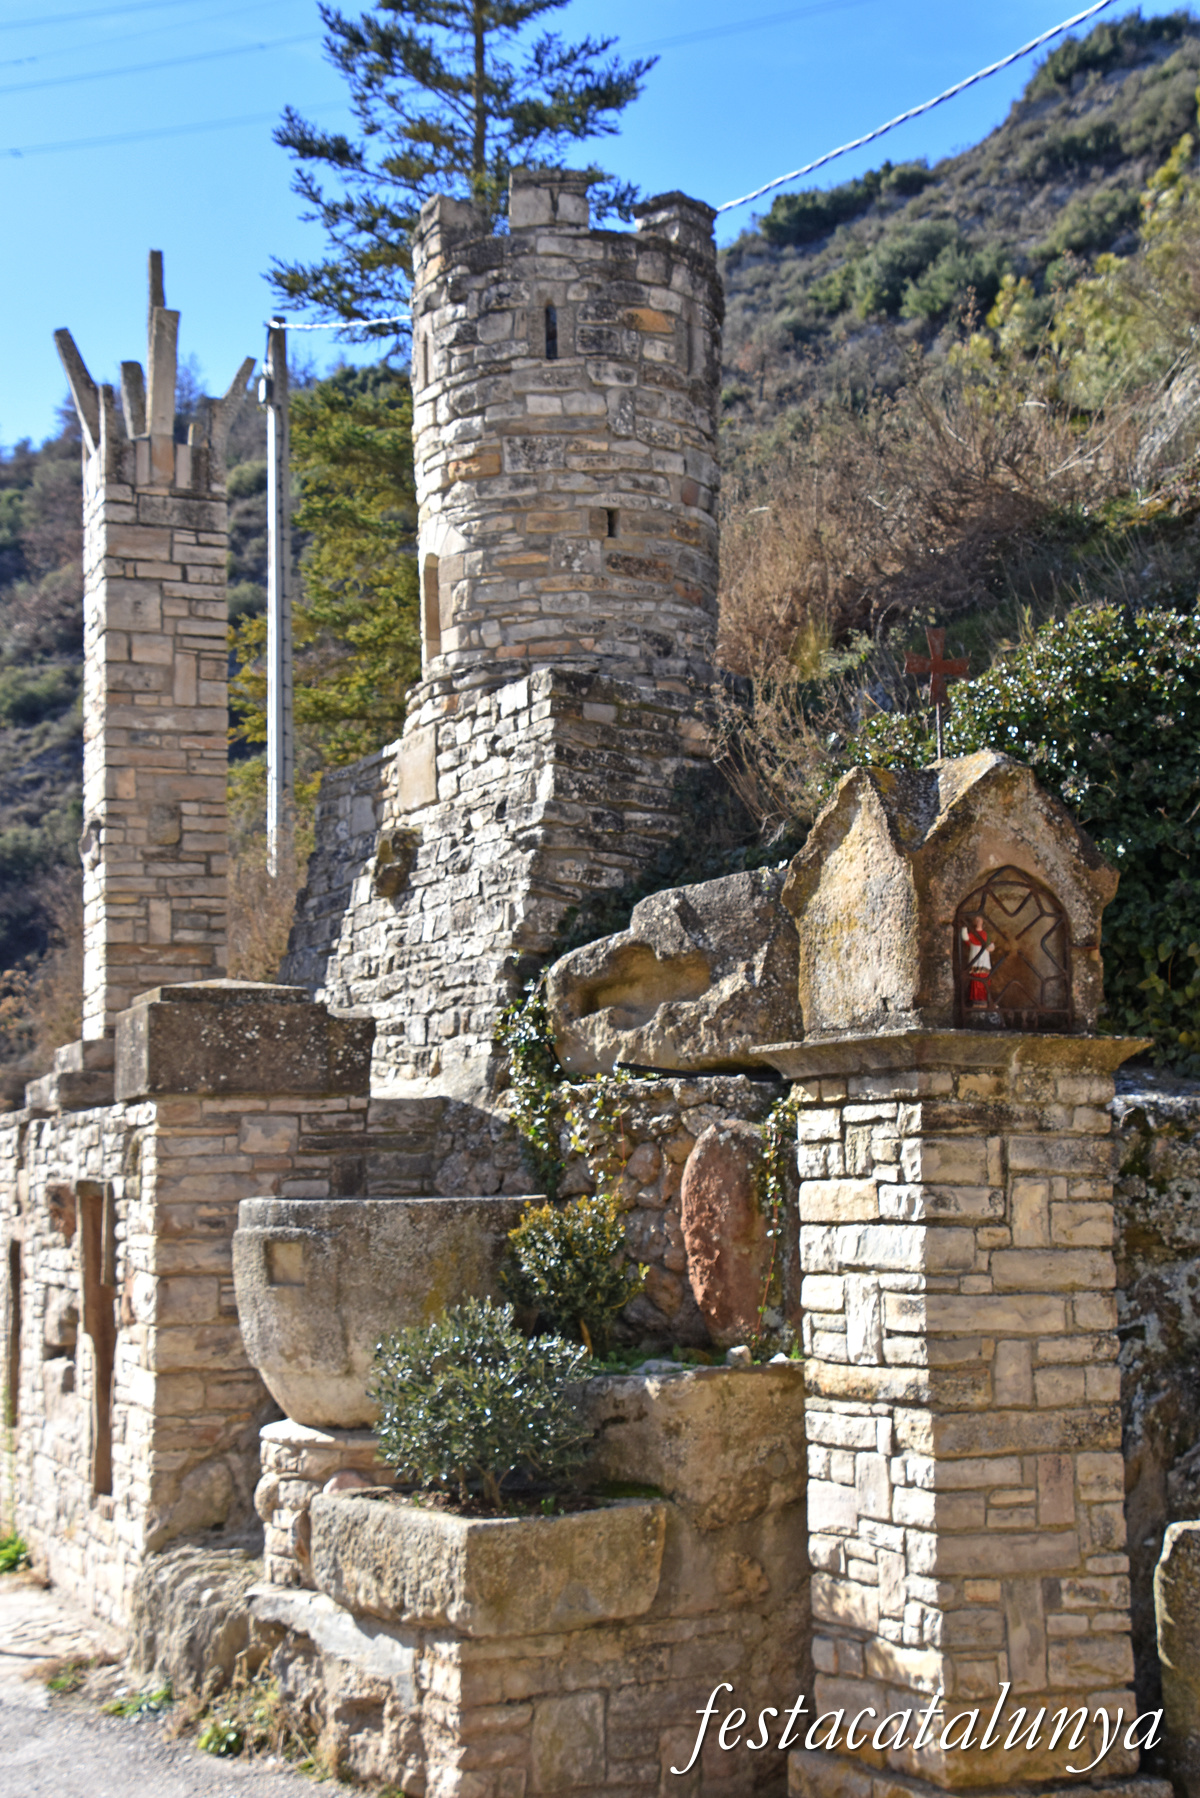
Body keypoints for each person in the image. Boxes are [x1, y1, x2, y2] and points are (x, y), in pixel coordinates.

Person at [961, 912, 993, 1008]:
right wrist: (964, 926)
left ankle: (984, 1000)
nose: (978, 922)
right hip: (975, 957)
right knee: (975, 980)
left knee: (984, 979)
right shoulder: (972, 934)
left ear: (983, 922)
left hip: (984, 959)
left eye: (980, 920)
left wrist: (990, 948)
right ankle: (976, 1001)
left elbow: (991, 945)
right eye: (977, 920)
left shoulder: (986, 934)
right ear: (975, 922)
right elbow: (965, 937)